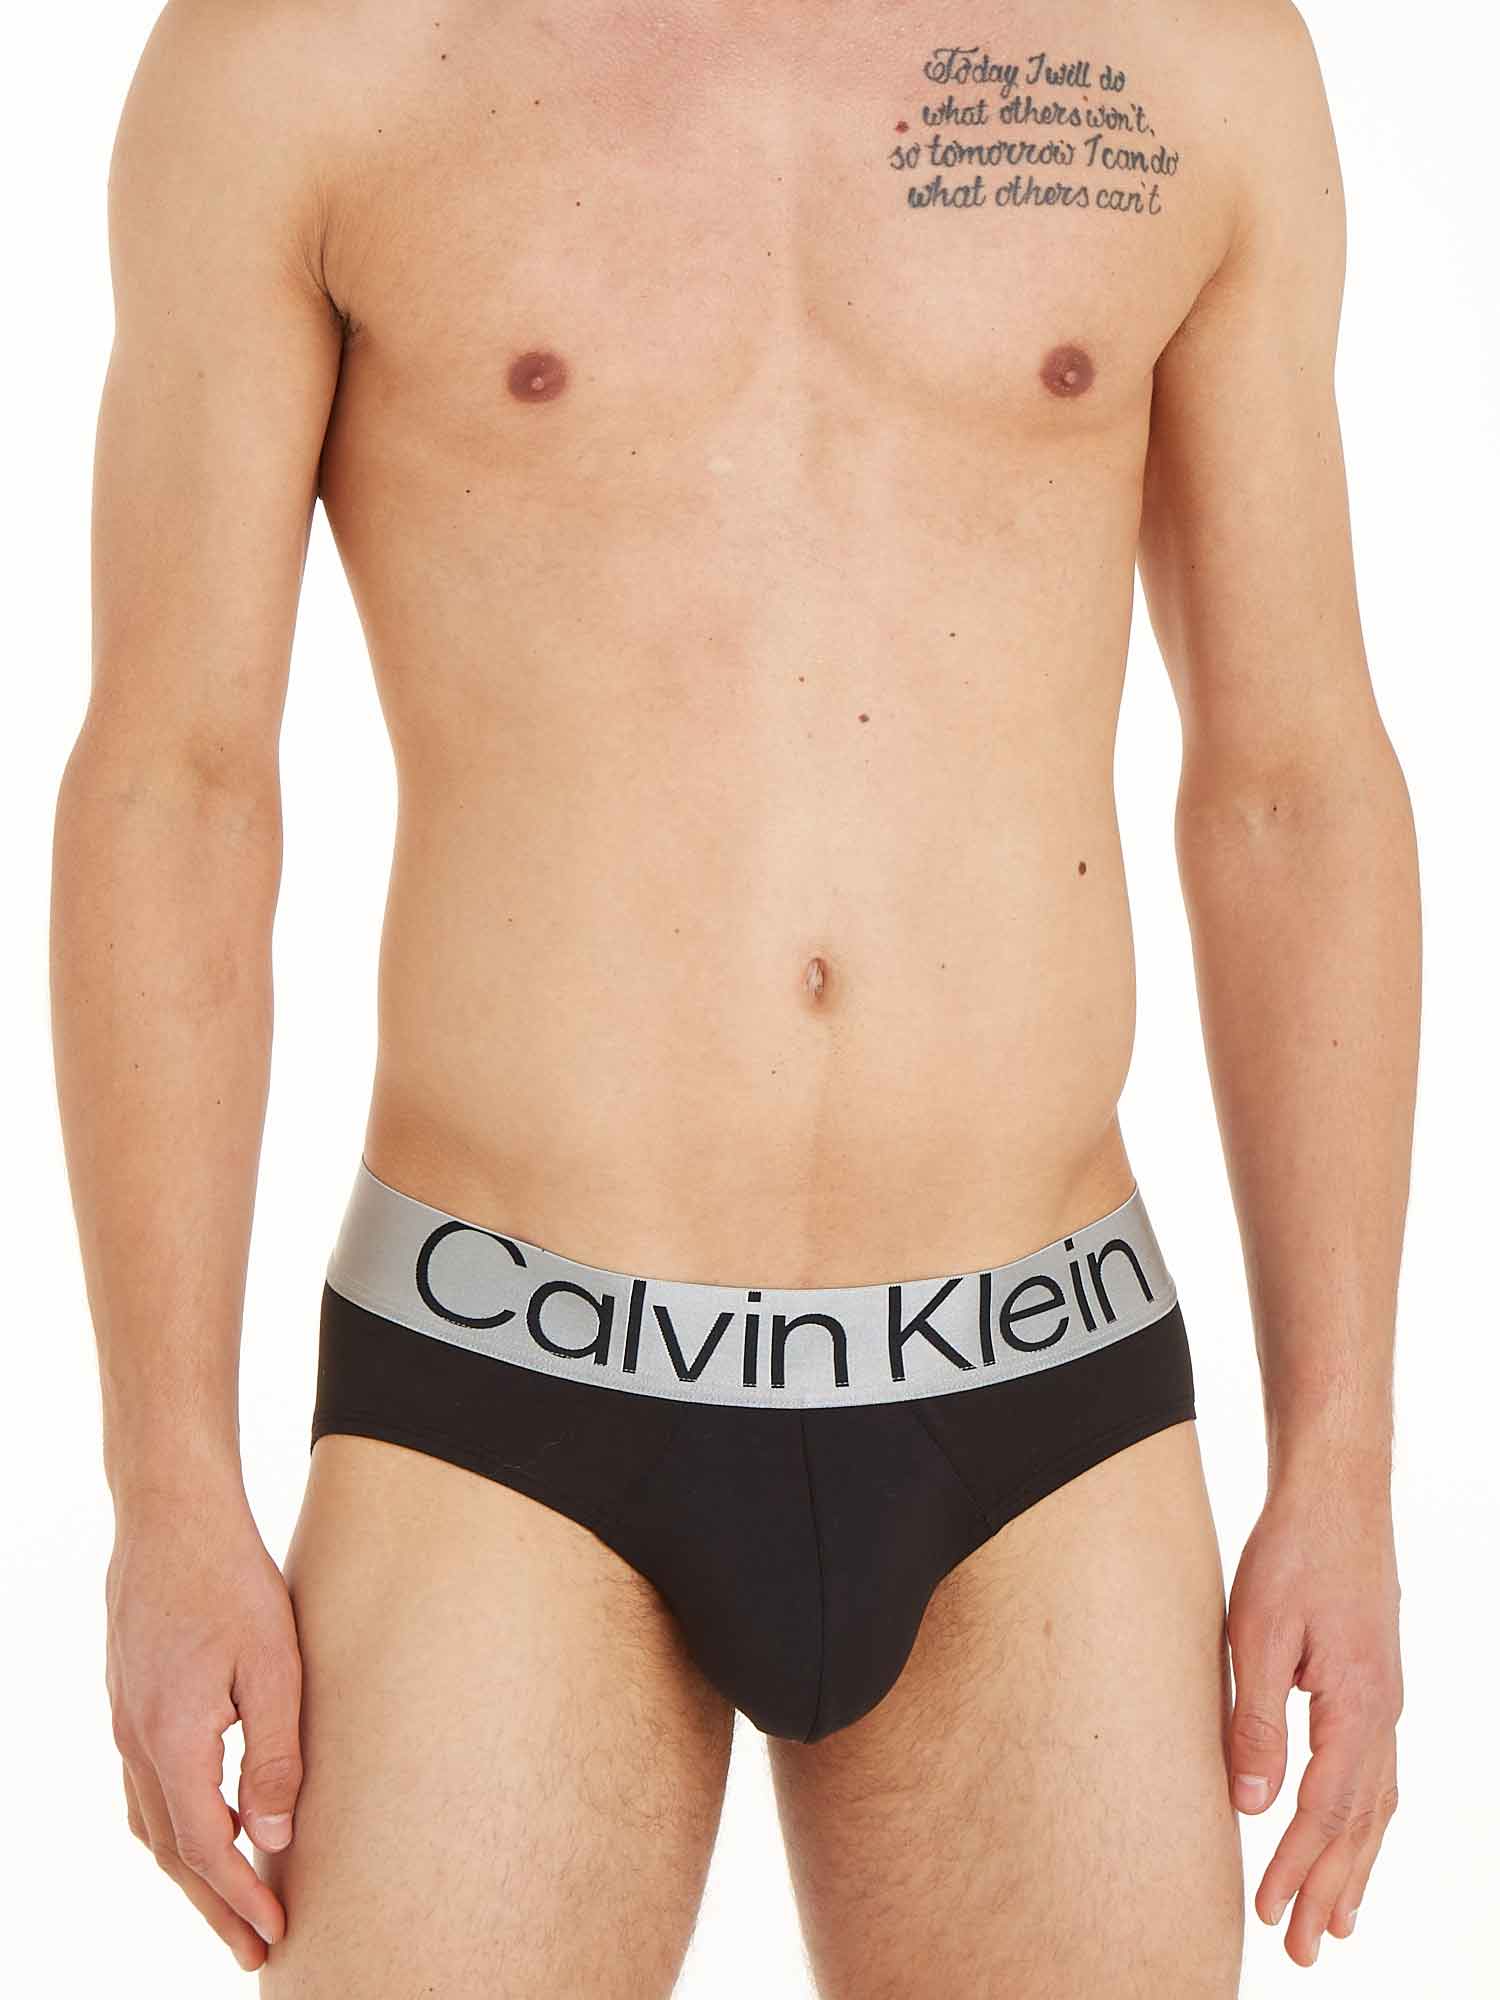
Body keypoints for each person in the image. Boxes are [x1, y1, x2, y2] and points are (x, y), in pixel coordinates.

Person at [50, 1, 1418, 1992]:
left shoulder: (1178, 54)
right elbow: (176, 784)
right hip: (505, 1389)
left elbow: (1293, 783)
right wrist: (167, 1483)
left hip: (1041, 1386)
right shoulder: (308, 58)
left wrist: (1344, 1461)